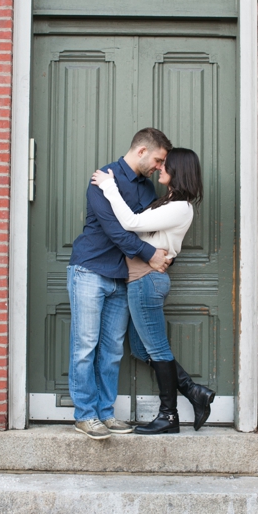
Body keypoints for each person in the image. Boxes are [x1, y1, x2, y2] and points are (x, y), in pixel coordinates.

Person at [91, 147, 215, 435]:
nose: (160, 169)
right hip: (139, 280)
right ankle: (193, 390)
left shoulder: (180, 207)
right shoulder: (165, 202)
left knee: (157, 348)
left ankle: (169, 416)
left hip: (147, 281)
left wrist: (109, 187)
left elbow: (131, 224)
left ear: (178, 171)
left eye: (165, 165)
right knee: (140, 347)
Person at [67, 128, 172, 441]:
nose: (158, 166)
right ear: (141, 151)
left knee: (112, 350)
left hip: (122, 277)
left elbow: (147, 229)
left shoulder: (148, 189)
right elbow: (117, 232)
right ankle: (85, 415)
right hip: (89, 270)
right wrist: (151, 255)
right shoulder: (104, 178)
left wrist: (160, 252)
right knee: (85, 345)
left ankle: (105, 412)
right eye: (157, 159)